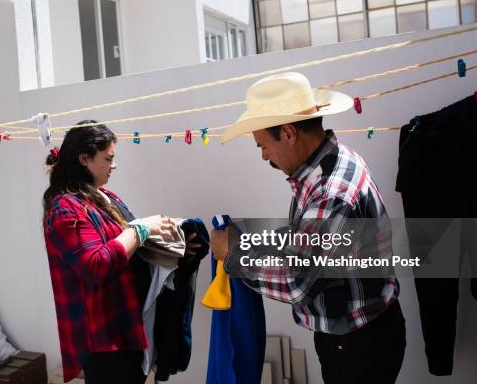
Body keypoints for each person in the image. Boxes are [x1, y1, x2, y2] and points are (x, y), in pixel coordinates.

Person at [211, 72, 406, 384]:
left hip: (359, 345)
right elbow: (304, 240)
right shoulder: (326, 166)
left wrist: (233, 256)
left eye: (263, 145)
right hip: (355, 336)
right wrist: (247, 243)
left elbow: (297, 280)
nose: (264, 156)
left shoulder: (331, 193)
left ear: (288, 133)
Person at [42, 120, 200, 384]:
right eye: (108, 158)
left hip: (127, 327)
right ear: (84, 158)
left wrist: (173, 244)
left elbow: (129, 248)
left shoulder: (103, 197)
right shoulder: (65, 209)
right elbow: (96, 264)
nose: (114, 165)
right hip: (103, 340)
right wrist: (140, 229)